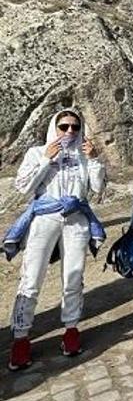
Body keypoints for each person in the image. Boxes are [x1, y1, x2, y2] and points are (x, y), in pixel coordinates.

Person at [8, 109, 106, 369]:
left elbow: (97, 188)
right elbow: (23, 187)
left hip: (76, 218)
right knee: (31, 278)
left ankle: (71, 330)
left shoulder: (83, 155)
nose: (70, 132)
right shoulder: (36, 152)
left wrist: (94, 160)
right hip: (45, 218)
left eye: (75, 127)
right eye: (64, 127)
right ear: (55, 128)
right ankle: (20, 338)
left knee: (73, 277)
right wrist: (44, 160)